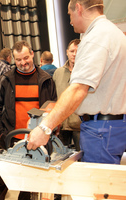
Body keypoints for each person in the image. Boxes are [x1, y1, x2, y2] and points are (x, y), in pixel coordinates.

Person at [27, 0, 126, 165]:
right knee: (111, 187)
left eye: (70, 14)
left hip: (101, 130)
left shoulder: (96, 37)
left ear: (78, 8)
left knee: (97, 188)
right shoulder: (115, 34)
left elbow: (78, 89)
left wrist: (45, 128)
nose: (70, 21)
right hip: (114, 125)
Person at [0, 40, 57, 200]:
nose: (23, 62)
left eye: (26, 58)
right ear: (13, 59)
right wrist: (1, 133)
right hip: (11, 139)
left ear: (32, 54)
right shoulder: (6, 79)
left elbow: (53, 106)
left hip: (37, 140)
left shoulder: (46, 79)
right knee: (1, 179)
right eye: (18, 59)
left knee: (29, 182)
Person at [53, 39, 81, 151]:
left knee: (82, 158)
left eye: (77, 51)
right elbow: (54, 98)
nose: (74, 54)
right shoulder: (58, 72)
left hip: (80, 126)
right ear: (66, 52)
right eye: (72, 51)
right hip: (61, 125)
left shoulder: (86, 73)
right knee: (61, 158)